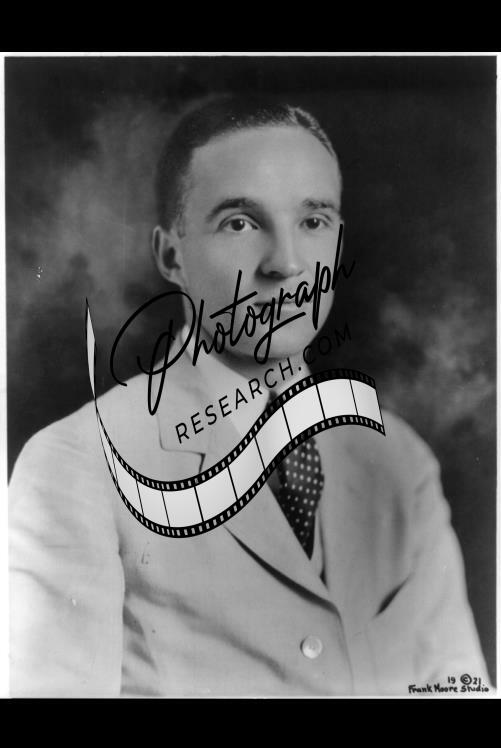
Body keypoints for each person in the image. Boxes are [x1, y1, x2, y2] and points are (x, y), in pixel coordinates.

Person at [9, 96, 489, 697]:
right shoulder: (78, 465)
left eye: (313, 221)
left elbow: (457, 687)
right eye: (240, 223)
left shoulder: (399, 460)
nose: (287, 264)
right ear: (171, 255)